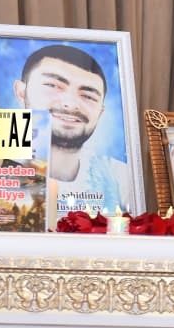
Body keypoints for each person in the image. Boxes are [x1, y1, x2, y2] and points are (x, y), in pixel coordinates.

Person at [13, 44, 133, 213]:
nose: (70, 103)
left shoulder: (120, 177)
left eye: (88, 96)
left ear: (100, 113)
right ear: (21, 93)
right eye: (53, 86)